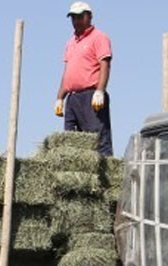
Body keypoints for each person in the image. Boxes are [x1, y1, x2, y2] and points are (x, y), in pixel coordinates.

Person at [55, 1, 114, 155]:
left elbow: (105, 65)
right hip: (73, 98)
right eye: (73, 18)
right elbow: (68, 72)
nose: (76, 21)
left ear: (89, 16)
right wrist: (60, 97)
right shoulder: (70, 43)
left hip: (91, 96)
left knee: (98, 139)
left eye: (80, 17)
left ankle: (105, 176)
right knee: (71, 142)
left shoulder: (99, 37)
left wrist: (100, 91)